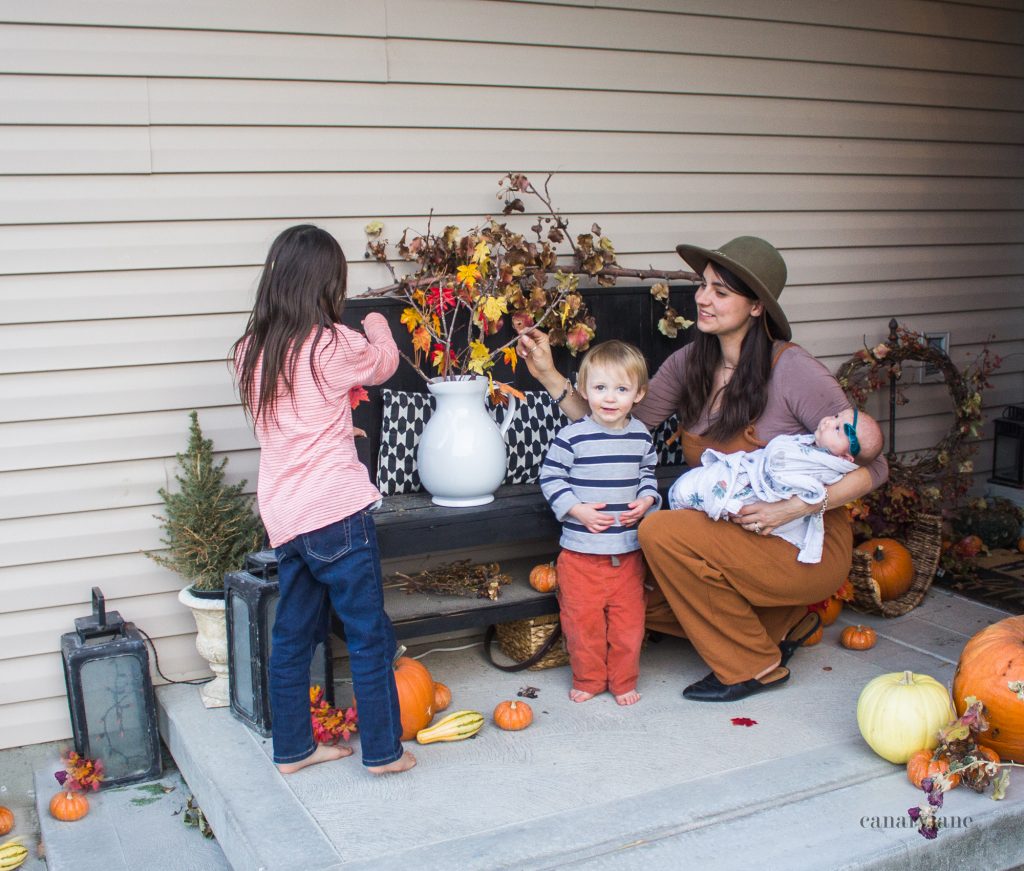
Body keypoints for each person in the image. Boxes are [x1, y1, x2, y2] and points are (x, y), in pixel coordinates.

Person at [517, 236, 888, 703]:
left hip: (801, 542)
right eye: (703, 285)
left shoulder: (793, 370)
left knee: (659, 533)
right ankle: (778, 623)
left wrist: (793, 507)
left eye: (721, 291)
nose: (702, 298)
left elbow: (875, 469)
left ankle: (754, 665)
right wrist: (550, 375)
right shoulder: (689, 363)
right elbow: (611, 428)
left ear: (756, 307)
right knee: (634, 599)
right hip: (733, 532)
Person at [232, 225, 416, 774]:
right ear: (323, 282)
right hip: (336, 511)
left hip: (287, 515)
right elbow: (384, 362)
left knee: (291, 637)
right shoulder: (333, 342)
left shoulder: (247, 351)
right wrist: (378, 319)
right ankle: (383, 752)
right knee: (366, 633)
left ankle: (292, 749)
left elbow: (292, 422)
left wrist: (341, 430)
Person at [539, 340, 661, 706]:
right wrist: (577, 509)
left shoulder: (640, 436)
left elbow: (647, 475)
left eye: (621, 389)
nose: (610, 398)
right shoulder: (572, 436)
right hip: (581, 556)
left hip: (627, 555)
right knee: (582, 625)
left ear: (638, 394)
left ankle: (624, 680)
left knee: (628, 627)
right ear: (583, 389)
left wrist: (647, 500)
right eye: (600, 388)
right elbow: (551, 478)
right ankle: (589, 678)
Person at [668, 407, 883, 563]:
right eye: (834, 416)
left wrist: (801, 505)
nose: (827, 421)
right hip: (748, 487)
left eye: (837, 428)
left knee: (669, 527)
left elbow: (787, 478)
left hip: (764, 516)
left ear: (846, 457)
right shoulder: (816, 446)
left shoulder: (825, 465)